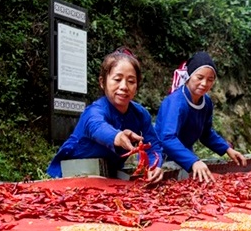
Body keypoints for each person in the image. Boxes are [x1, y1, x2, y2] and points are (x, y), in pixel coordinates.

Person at [47, 47, 164, 183]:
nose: (124, 86)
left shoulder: (141, 114)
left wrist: (154, 166)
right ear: (102, 82)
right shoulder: (94, 111)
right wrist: (118, 136)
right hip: (71, 174)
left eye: (131, 81)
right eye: (117, 79)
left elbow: (153, 146)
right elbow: (97, 126)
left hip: (108, 175)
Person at [155, 51, 246, 182]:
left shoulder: (206, 102)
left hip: (184, 157)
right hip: (161, 157)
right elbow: (167, 138)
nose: (204, 83)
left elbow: (206, 133)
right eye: (199, 77)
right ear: (189, 76)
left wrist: (227, 149)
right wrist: (193, 161)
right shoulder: (176, 102)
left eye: (210, 80)